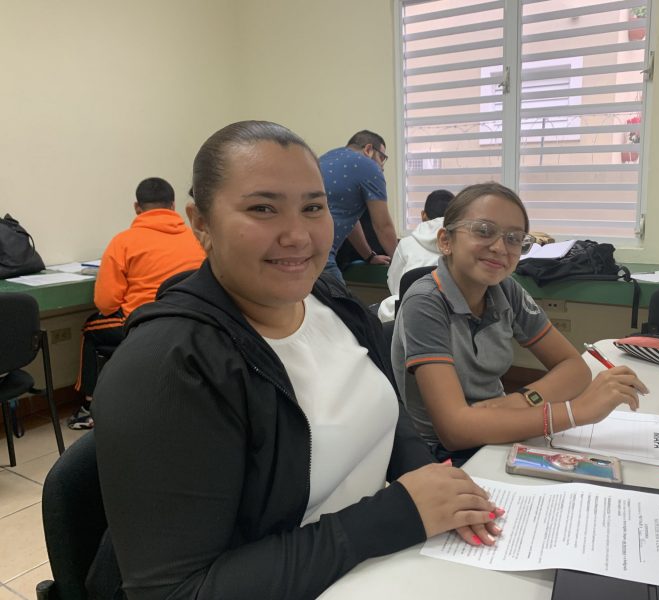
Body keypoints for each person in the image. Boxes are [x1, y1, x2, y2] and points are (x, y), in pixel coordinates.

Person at [89, 121, 502, 600]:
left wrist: (426, 476)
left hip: (367, 567)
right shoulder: (168, 366)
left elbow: (389, 420)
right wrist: (395, 516)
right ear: (201, 222)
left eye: (313, 207)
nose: (297, 235)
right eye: (263, 208)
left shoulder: (336, 304)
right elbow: (175, 592)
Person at [392, 182, 648, 465]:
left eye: (514, 238)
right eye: (483, 230)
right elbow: (455, 430)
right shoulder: (425, 302)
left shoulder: (506, 289)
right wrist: (577, 412)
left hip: (503, 426)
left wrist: (521, 401)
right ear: (446, 241)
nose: (500, 248)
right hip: (446, 456)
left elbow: (574, 369)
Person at [69, 177, 205, 429]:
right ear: (173, 206)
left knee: (90, 329)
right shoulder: (195, 237)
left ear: (136, 207)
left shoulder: (123, 242)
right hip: (192, 324)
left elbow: (106, 303)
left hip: (143, 325)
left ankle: (89, 406)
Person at [320, 130, 398, 282]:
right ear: (368, 149)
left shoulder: (325, 158)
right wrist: (401, 263)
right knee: (343, 304)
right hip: (321, 255)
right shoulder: (369, 166)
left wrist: (369, 256)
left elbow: (349, 218)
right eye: (382, 157)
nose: (382, 166)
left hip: (298, 251)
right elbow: (383, 226)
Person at [377, 189, 455, 322]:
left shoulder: (407, 243)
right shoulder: (462, 243)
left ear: (423, 215)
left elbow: (396, 285)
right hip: (452, 316)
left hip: (410, 315)